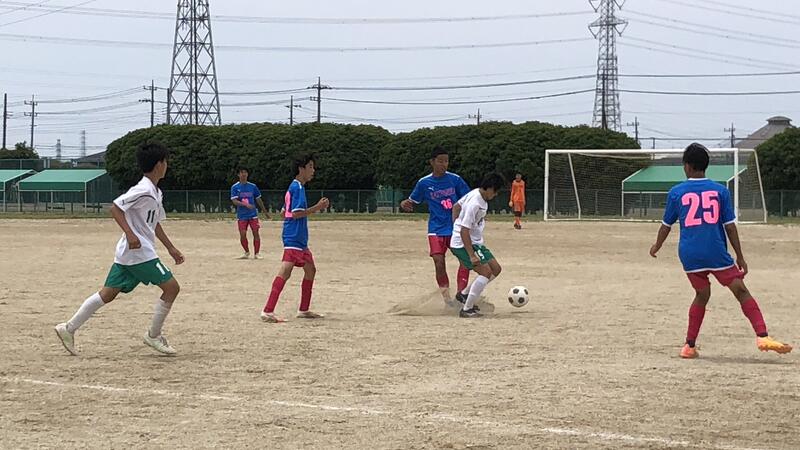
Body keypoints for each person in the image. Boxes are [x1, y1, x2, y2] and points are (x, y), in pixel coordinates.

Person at [649, 143, 792, 358]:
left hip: (689, 254)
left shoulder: (676, 192)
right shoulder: (720, 191)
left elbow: (666, 226)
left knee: (702, 294)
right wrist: (740, 256)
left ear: (687, 166)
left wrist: (656, 246)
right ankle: (762, 335)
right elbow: (730, 227)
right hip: (715, 251)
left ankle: (689, 346)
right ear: (705, 166)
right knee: (741, 291)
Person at [54, 142, 185, 356]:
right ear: (159, 165)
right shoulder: (143, 190)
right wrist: (131, 234)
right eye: (165, 161)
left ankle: (68, 328)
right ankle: (153, 335)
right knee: (171, 288)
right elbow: (115, 208)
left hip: (129, 253)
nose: (167, 165)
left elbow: (154, 223)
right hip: (139, 253)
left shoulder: (155, 192)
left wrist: (170, 247)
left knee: (107, 294)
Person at [261, 153, 329, 323]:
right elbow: (296, 213)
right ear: (301, 169)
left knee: (310, 270)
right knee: (286, 271)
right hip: (294, 236)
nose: (313, 170)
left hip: (298, 238)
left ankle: (304, 310)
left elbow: (284, 212)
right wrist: (318, 207)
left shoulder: (295, 187)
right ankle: (268, 310)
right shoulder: (297, 187)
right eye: (310, 166)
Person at [400, 146, 472, 304]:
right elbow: (412, 200)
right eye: (440, 161)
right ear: (432, 162)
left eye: (446, 161)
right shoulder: (424, 183)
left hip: (455, 228)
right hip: (436, 229)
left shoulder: (455, 180)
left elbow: (469, 199)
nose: (444, 164)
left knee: (465, 260)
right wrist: (405, 203)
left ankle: (461, 294)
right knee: (439, 262)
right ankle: (447, 299)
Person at [450, 173, 506, 318]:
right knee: (485, 272)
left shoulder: (476, 193)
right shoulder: (475, 203)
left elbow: (456, 207)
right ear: (490, 188)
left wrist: (455, 224)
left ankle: (464, 295)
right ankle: (467, 309)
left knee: (496, 269)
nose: (495, 195)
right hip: (462, 244)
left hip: (475, 242)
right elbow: (464, 230)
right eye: (495, 191)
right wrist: (471, 255)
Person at [231, 167, 270, 260]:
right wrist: (245, 204)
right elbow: (234, 201)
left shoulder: (253, 186)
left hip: (253, 215)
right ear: (238, 175)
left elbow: (258, 199)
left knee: (256, 233)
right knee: (243, 234)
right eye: (241, 172)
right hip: (242, 215)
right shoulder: (235, 187)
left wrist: (265, 212)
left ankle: (257, 253)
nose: (243, 174)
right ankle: (246, 252)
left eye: (245, 172)